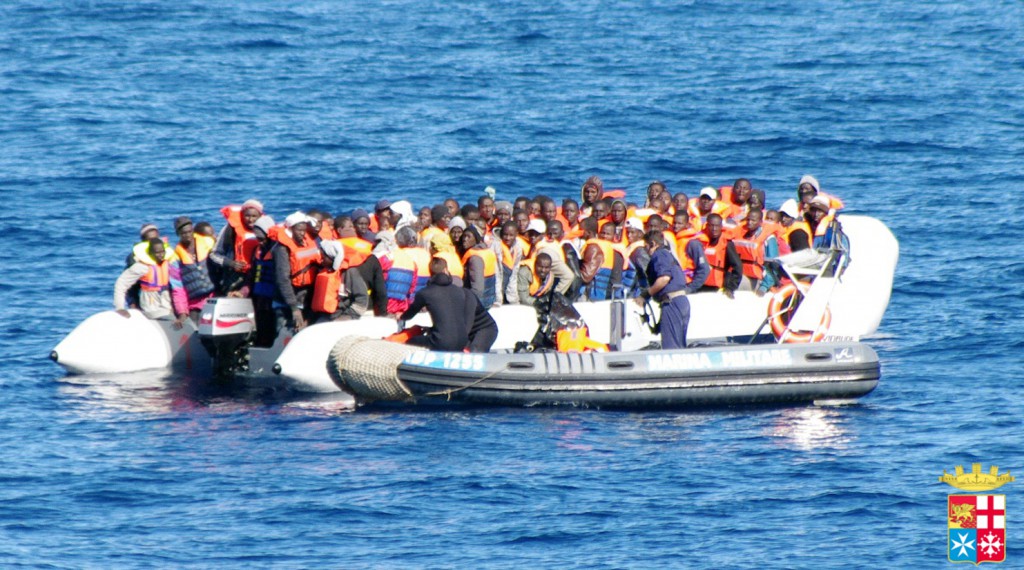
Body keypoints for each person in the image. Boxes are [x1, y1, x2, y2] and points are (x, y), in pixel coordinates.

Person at [638, 231, 709, 349]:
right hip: (680, 302)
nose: (646, 251)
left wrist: (645, 295)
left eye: (646, 247)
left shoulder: (659, 254)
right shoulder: (667, 254)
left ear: (652, 244)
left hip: (672, 303)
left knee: (671, 347)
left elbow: (664, 278)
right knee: (679, 344)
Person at [398, 257, 474, 352]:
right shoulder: (459, 291)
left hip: (441, 342)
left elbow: (409, 315)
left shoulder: (425, 293)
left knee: (411, 341)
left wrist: (401, 316)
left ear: (430, 273)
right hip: (463, 341)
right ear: (446, 270)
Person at [114, 237, 183, 324]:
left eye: (162, 251)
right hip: (152, 309)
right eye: (157, 252)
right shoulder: (142, 267)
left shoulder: (168, 264)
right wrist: (120, 307)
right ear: (150, 253)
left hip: (166, 307)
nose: (161, 255)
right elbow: (121, 283)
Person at [169, 216, 217, 323]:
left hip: (214, 296)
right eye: (183, 233)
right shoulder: (175, 258)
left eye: (190, 231)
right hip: (194, 303)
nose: (187, 235)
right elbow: (177, 288)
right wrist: (182, 312)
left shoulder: (208, 243)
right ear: (178, 234)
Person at [211, 199, 263, 294]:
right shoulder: (231, 229)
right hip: (233, 279)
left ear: (260, 216)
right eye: (247, 216)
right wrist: (230, 263)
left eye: (254, 216)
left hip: (255, 278)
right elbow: (214, 255)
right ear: (242, 215)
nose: (250, 219)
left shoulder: (265, 231)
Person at [730, 209, 781, 296]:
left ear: (760, 222)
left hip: (759, 280)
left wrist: (764, 287)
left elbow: (774, 266)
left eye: (753, 220)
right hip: (740, 274)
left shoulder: (769, 238)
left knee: (734, 285)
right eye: (748, 219)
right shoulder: (741, 234)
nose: (749, 222)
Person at [698, 213, 742, 298]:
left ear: (721, 227)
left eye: (717, 226)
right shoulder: (699, 241)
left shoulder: (727, 244)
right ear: (706, 226)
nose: (714, 229)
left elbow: (737, 266)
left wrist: (730, 287)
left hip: (717, 285)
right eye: (711, 226)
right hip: (700, 283)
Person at [460, 225, 498, 308]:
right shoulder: (487, 251)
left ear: (476, 239)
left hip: (480, 302)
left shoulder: (475, 258)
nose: (465, 239)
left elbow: (478, 288)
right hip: (489, 298)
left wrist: (469, 304)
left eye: (469, 237)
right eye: (464, 236)